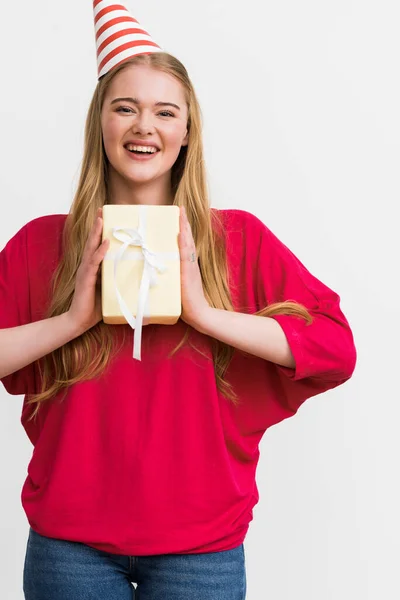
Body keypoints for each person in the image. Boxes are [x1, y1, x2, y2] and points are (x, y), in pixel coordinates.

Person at [0, 1, 357, 598]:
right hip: (70, 546)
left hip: (202, 549)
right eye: (126, 108)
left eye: (165, 111)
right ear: (101, 125)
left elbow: (335, 348)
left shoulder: (238, 239)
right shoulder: (42, 243)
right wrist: (74, 319)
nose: (145, 126)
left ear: (186, 131)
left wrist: (205, 314)